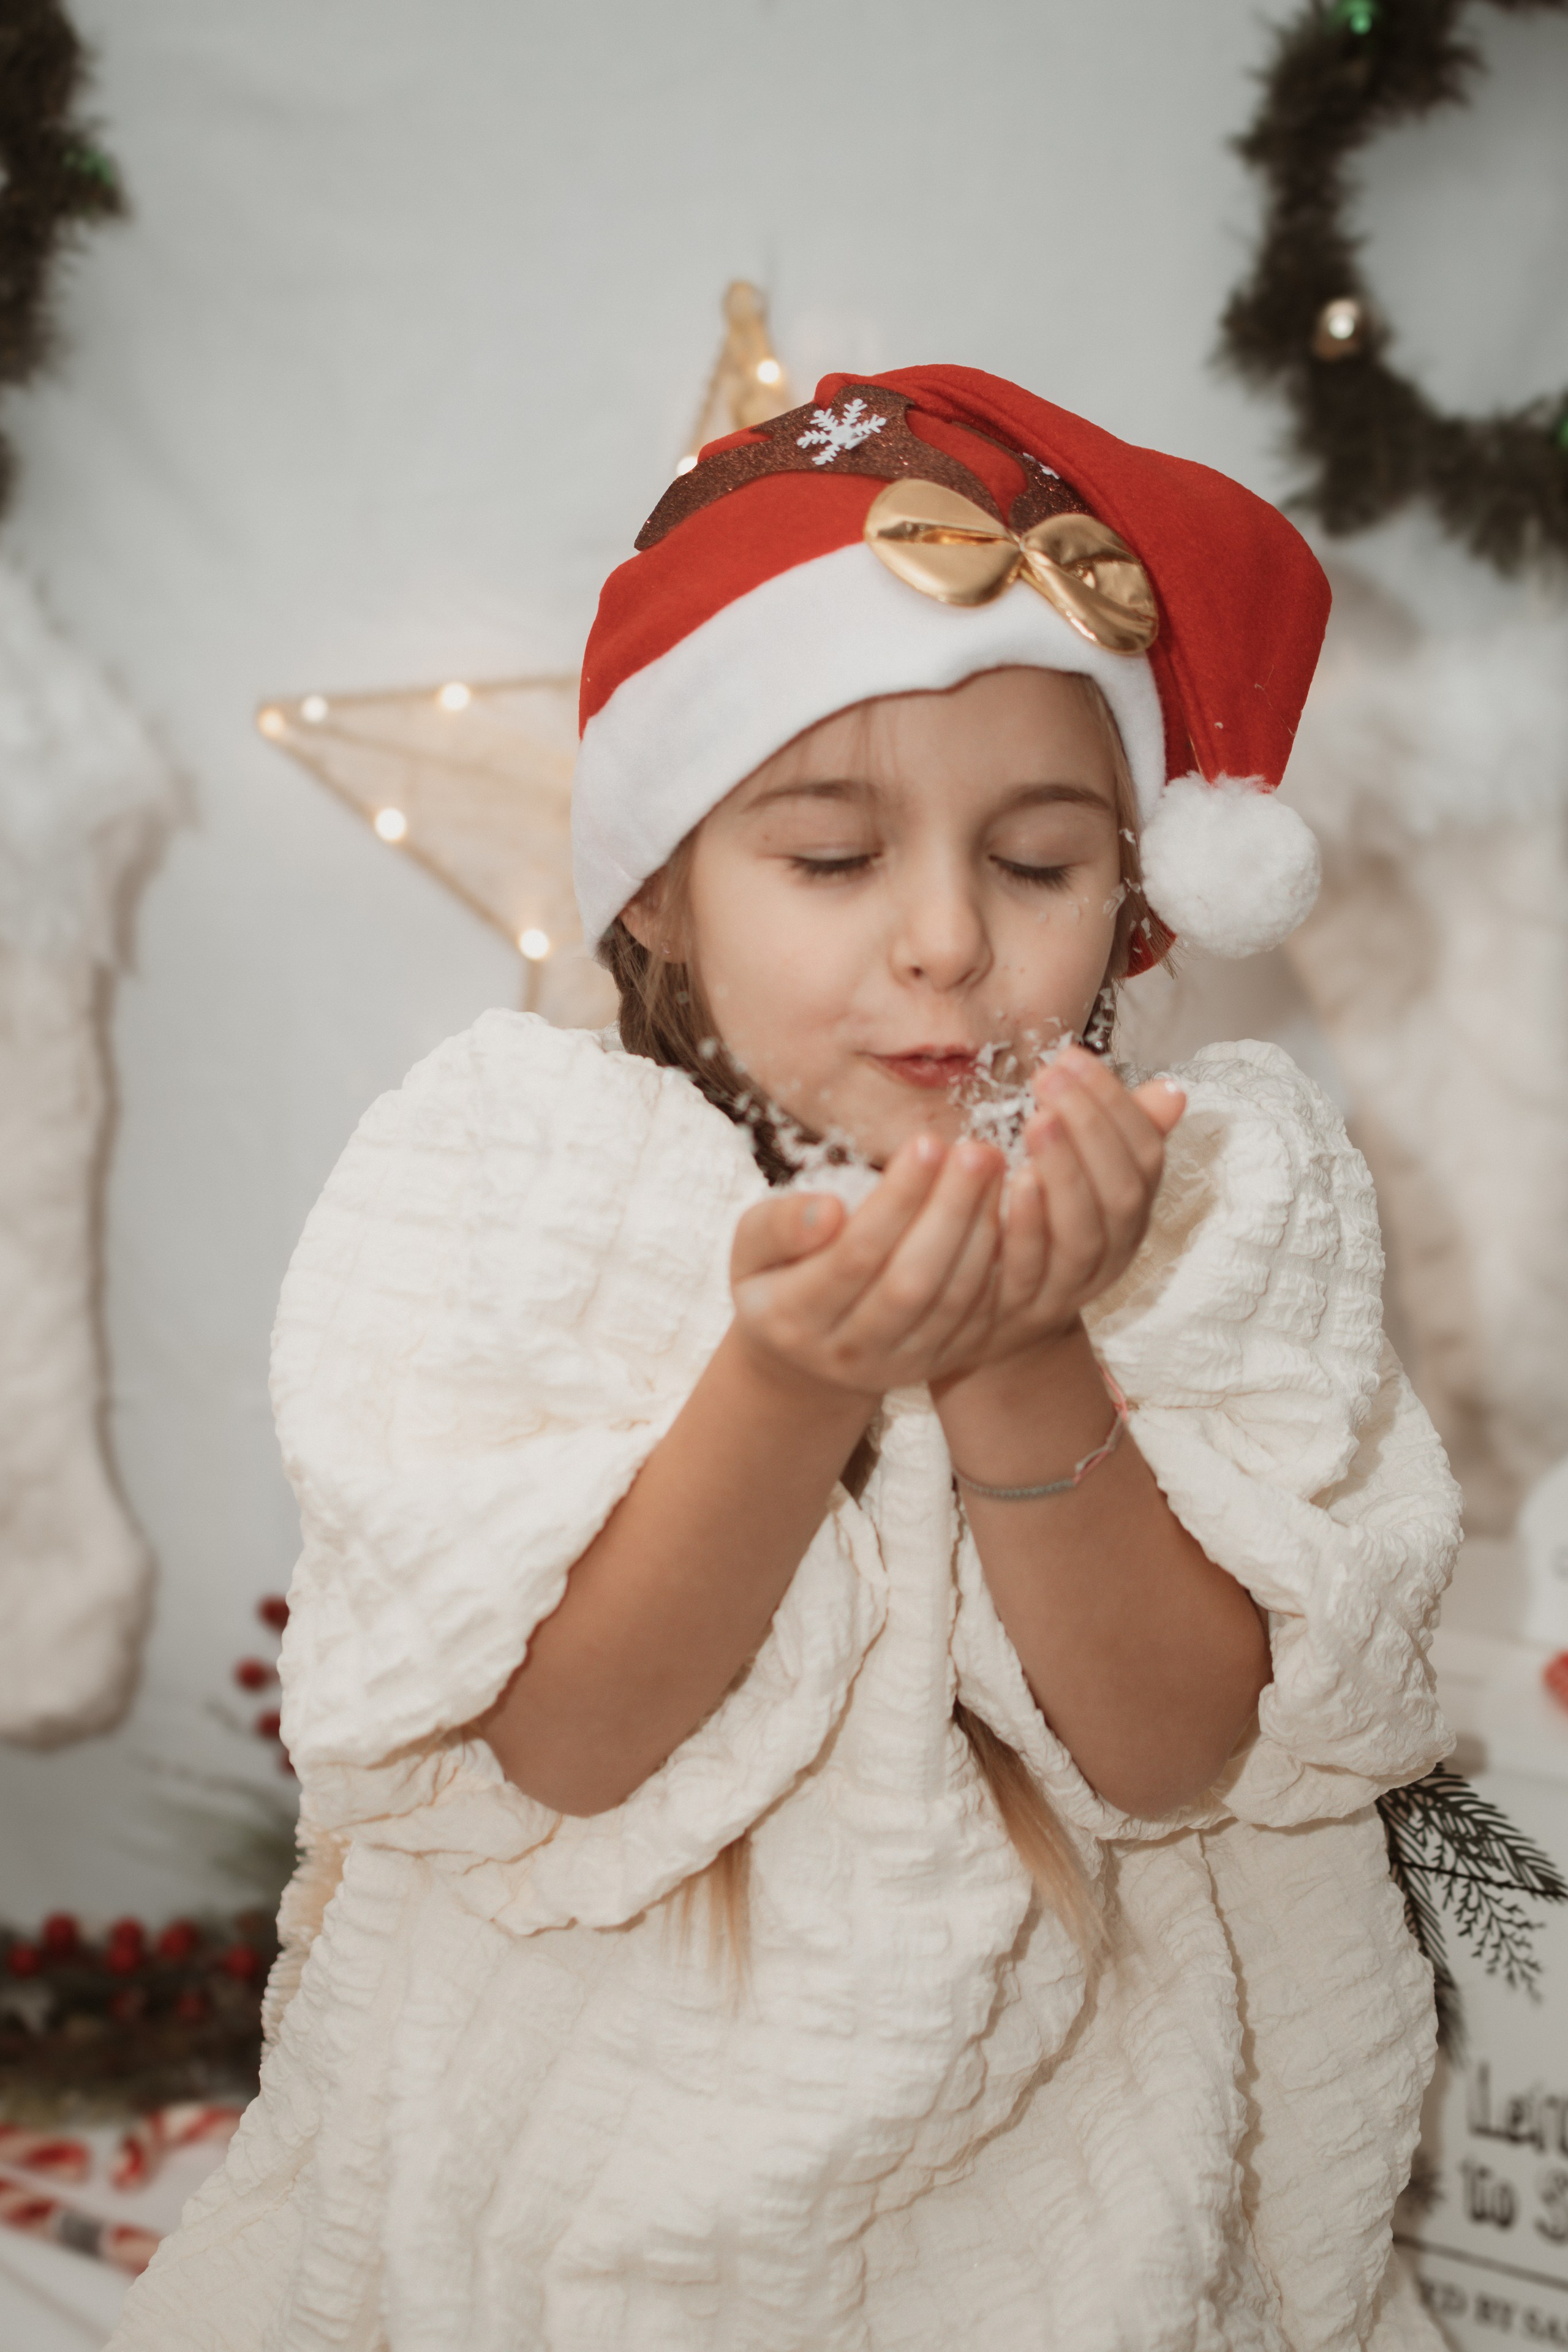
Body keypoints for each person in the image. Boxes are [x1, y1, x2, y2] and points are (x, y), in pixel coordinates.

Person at [111, 368, 1460, 2351]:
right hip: (570, 2144)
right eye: (833, 859)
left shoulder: (1210, 1203)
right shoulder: (518, 1185)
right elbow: (564, 1756)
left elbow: (1180, 1757)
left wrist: (1020, 1355)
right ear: (658, 886)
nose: (943, 941)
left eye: (1039, 863)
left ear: (1137, 889)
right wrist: (795, 1378)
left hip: (1062, 2180)